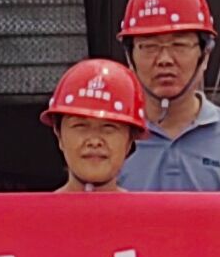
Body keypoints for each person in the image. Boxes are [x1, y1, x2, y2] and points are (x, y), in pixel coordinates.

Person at [111, 0, 220, 193]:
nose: (164, 60)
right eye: (149, 46)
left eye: (179, 45)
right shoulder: (112, 136)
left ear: (205, 55)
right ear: (129, 57)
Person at [46, 56, 149, 191]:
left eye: (109, 127)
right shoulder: (31, 206)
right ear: (59, 134)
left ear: (130, 140)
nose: (94, 141)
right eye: (80, 126)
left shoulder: (149, 206)